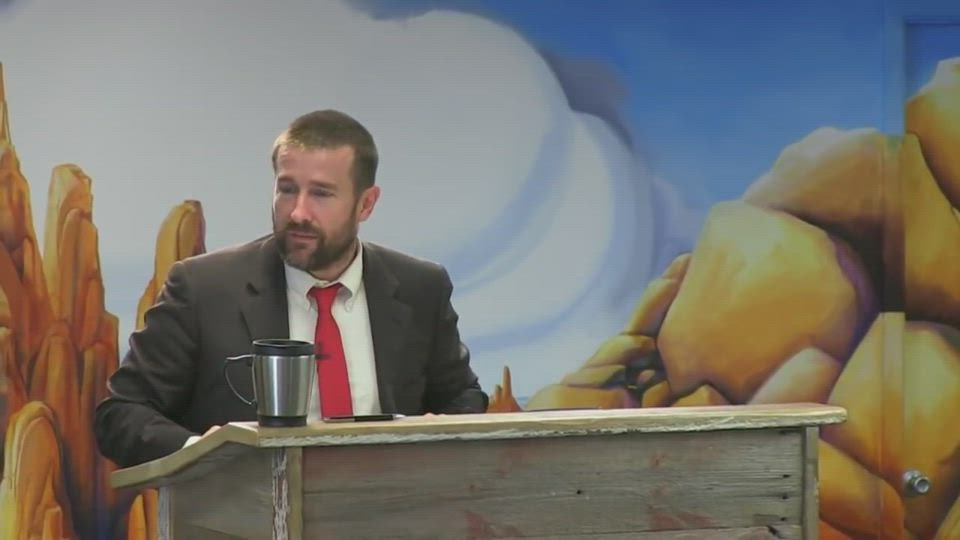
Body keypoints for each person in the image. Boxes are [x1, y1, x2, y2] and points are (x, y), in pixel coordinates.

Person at [94, 109, 488, 468]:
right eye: (286, 189)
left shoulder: (420, 287)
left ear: (366, 204)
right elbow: (123, 413)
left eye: (321, 193)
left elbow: (463, 397)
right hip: (246, 511)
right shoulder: (203, 289)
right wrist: (203, 454)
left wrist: (437, 434)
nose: (298, 212)